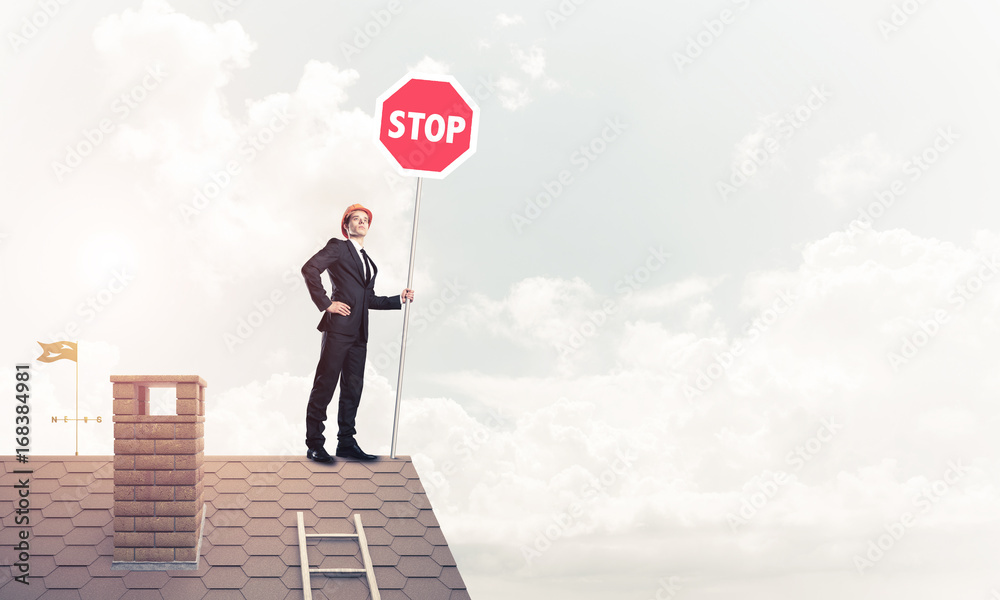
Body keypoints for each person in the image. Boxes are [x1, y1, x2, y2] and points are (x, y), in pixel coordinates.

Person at [300, 203, 415, 463]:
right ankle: (315, 443)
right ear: (346, 225)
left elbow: (368, 299)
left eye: (365, 219)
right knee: (325, 384)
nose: (361, 222)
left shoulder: (368, 261)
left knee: (353, 388)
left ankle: (346, 443)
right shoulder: (338, 247)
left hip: (360, 333)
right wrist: (327, 304)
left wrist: (399, 298)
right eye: (356, 218)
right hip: (338, 328)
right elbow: (310, 269)